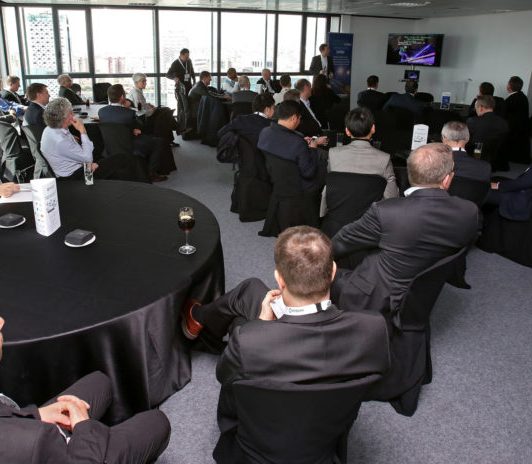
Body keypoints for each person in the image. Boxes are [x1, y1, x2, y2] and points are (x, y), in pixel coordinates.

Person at [180, 226, 390, 437]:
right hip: (328, 430)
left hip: (260, 438)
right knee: (250, 289)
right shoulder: (373, 329)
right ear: (333, 271)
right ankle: (199, 319)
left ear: (279, 279)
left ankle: (198, 319)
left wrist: (261, 324)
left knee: (240, 323)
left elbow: (223, 375)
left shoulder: (249, 342)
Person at [0, 289, 171, 464]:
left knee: (100, 383)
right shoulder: (32, 442)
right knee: (156, 423)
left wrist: (35, 415)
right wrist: (84, 428)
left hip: (18, 432)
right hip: (62, 454)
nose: (0, 322)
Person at [331, 143, 478, 315]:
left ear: (409, 174)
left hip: (377, 294)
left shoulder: (386, 211)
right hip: (422, 293)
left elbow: (341, 242)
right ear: (446, 180)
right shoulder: (469, 212)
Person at [40, 97, 138, 182]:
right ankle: (139, 187)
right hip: (77, 177)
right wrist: (82, 131)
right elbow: (88, 158)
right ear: (63, 118)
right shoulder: (61, 141)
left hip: (72, 169)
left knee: (113, 160)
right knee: (122, 158)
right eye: (70, 112)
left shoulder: (50, 130)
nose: (73, 114)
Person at [97, 85, 168, 182]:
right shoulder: (128, 113)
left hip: (110, 146)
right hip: (129, 145)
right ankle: (151, 173)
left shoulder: (101, 112)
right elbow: (140, 126)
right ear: (122, 97)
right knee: (158, 142)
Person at [327, 107, 399, 199]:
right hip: (372, 212)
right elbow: (391, 197)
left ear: (347, 131)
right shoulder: (384, 159)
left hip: (338, 211)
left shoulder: (333, 154)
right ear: (373, 128)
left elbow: (332, 185)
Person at [257, 100, 323, 192]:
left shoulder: (264, 132)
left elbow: (281, 145)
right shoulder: (298, 142)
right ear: (294, 118)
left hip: (272, 182)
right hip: (296, 188)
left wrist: (301, 142)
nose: (299, 121)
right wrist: (312, 149)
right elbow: (309, 173)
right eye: (299, 118)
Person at [127, 72, 189, 146]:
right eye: (143, 81)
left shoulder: (137, 91)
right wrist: (153, 109)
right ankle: (177, 130)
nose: (145, 83)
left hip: (145, 114)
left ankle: (175, 133)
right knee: (167, 112)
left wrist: (149, 105)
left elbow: (141, 106)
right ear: (136, 83)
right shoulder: (136, 94)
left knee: (166, 112)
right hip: (144, 119)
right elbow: (142, 112)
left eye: (145, 81)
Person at [504, 75, 531, 164]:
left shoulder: (512, 99)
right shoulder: (522, 97)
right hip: (521, 131)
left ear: (510, 86)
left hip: (513, 131)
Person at [166, 48, 195, 129]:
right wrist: (174, 78)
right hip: (181, 88)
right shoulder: (175, 63)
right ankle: (182, 125)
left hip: (189, 86)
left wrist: (194, 80)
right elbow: (167, 74)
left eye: (188, 56)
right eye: (186, 56)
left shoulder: (189, 61)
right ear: (181, 55)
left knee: (188, 106)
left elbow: (192, 71)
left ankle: (187, 124)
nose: (187, 58)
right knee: (183, 107)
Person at [294, 78, 330, 143]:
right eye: (310, 87)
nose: (311, 89)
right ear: (306, 87)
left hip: (320, 133)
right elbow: (303, 131)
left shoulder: (310, 102)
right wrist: (316, 140)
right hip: (312, 140)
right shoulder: (298, 107)